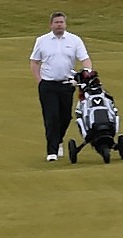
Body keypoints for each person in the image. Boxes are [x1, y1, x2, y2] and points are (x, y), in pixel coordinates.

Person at [28, 12, 92, 162]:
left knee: (65, 117)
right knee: (51, 117)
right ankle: (52, 151)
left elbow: (85, 59)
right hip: (48, 85)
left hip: (67, 84)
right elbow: (34, 62)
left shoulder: (74, 40)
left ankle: (58, 140)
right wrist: (40, 81)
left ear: (65, 24)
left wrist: (87, 73)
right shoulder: (42, 41)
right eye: (56, 22)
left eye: (61, 22)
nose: (59, 25)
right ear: (51, 25)